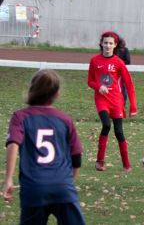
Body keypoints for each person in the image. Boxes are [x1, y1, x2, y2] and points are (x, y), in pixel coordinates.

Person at [2, 69, 85, 225]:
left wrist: (8, 179)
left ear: (32, 89)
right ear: (57, 93)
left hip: (34, 187)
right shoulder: (65, 119)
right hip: (63, 187)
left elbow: (13, 143)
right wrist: (69, 183)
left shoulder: (20, 117)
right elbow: (77, 158)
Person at [88, 31, 137, 172]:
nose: (107, 45)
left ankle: (126, 164)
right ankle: (100, 161)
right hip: (101, 99)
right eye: (105, 43)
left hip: (116, 101)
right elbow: (90, 81)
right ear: (101, 44)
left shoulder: (119, 62)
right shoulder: (94, 60)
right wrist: (99, 86)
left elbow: (129, 84)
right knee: (106, 125)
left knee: (119, 132)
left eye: (110, 43)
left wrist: (133, 106)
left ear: (115, 45)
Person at [115, 37, 131, 106]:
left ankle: (123, 103)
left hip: (123, 72)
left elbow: (128, 61)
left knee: (123, 88)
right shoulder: (114, 50)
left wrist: (119, 63)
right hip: (114, 72)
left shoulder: (125, 50)